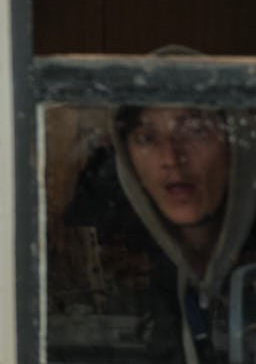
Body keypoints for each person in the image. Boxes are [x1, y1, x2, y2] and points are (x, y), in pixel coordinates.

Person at [105, 101, 256, 363]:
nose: (171, 158)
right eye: (147, 138)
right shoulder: (129, 281)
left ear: (236, 146)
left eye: (196, 131)